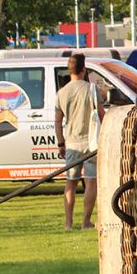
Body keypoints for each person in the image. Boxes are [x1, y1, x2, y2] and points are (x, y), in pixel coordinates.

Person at [55, 53, 103, 230]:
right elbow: (101, 114)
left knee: (71, 182)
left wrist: (61, 143)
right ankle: (85, 222)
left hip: (72, 142)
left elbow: (58, 121)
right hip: (90, 142)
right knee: (91, 182)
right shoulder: (91, 89)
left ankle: (68, 223)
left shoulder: (61, 92)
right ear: (84, 69)